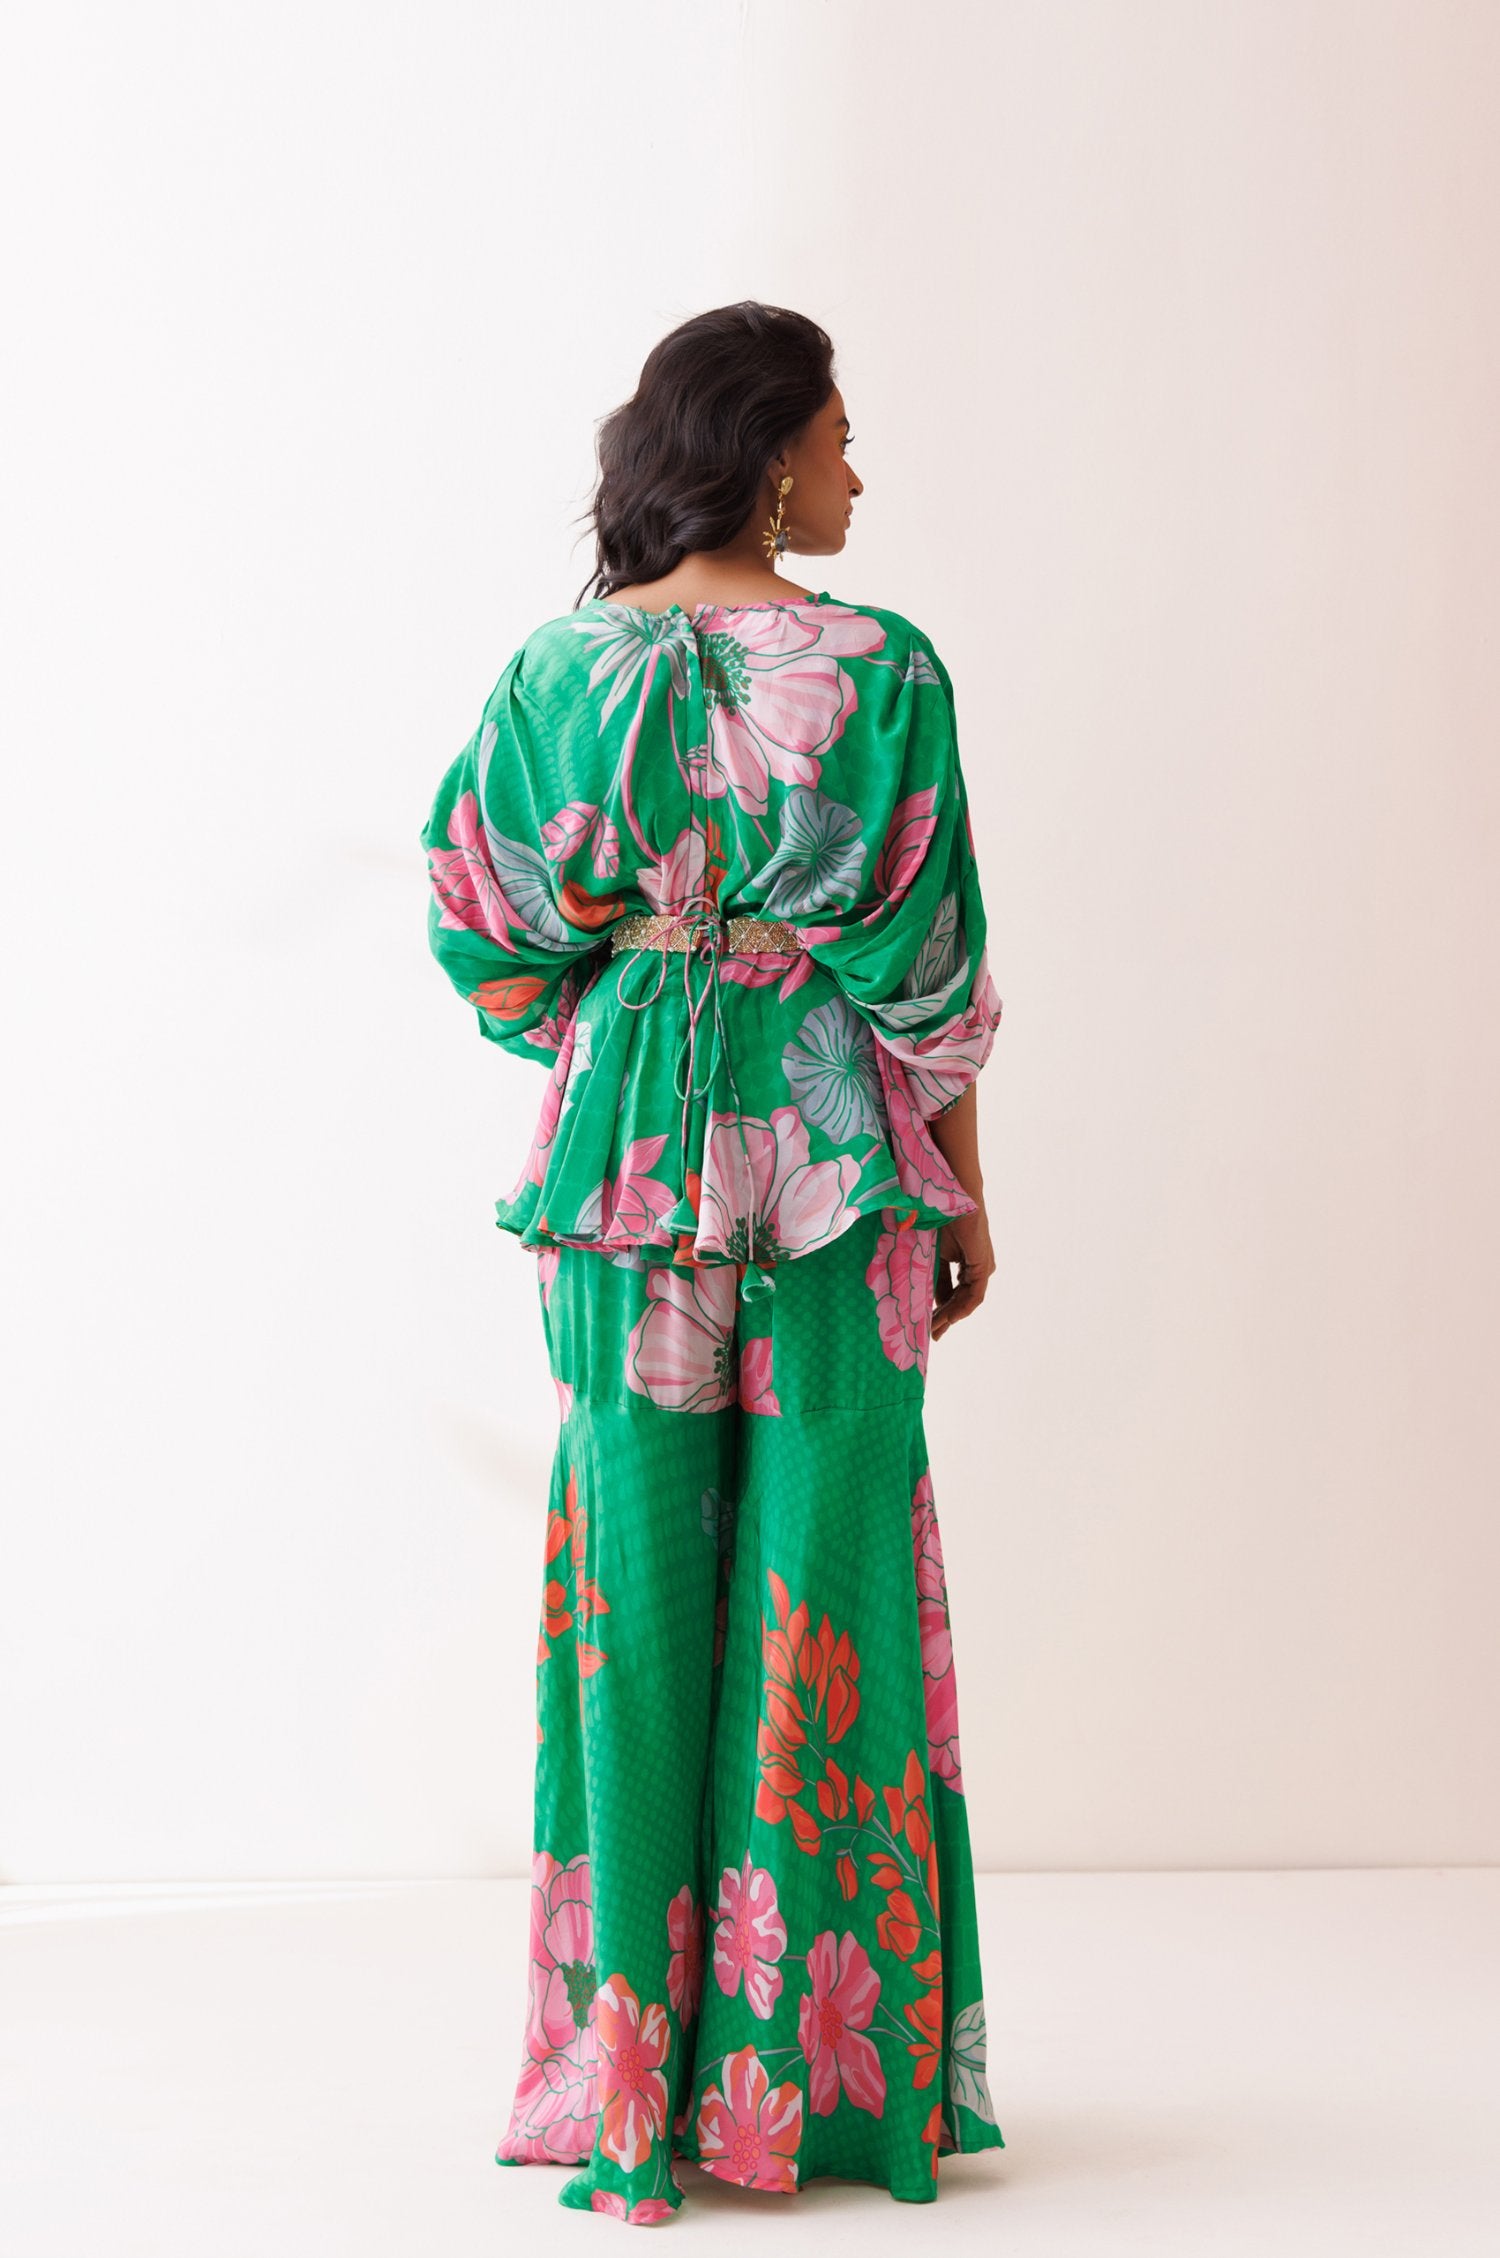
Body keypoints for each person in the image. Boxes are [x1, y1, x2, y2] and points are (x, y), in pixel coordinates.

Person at [419, 300, 1005, 2227]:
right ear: (766, 455)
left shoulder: (555, 671)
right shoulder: (876, 665)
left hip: (622, 1168)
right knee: (830, 1581)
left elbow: (480, 916)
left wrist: (626, 997)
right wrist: (964, 1187)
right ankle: (818, 2085)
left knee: (635, 1595)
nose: (857, 475)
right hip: (833, 1157)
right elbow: (929, 966)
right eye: (839, 438)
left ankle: (627, 2085)